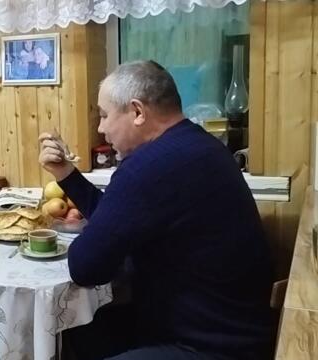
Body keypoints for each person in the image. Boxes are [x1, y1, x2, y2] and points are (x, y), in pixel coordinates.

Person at [39, 60, 274, 360]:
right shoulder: (199, 145)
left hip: (209, 347)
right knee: (77, 327)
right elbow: (115, 219)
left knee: (70, 328)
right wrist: (66, 174)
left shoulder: (148, 167)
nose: (101, 128)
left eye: (104, 115)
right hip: (230, 328)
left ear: (137, 112)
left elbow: (85, 267)